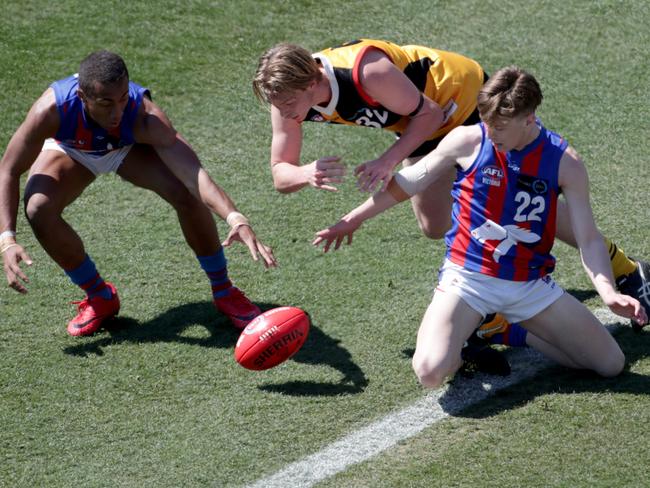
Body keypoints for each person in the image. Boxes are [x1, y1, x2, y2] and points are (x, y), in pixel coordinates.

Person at [253, 38, 650, 338]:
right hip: (421, 125)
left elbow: (429, 113)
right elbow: (279, 173)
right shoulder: (286, 98)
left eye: (287, 101)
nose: (282, 110)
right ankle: (494, 300)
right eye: (276, 102)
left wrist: (389, 159)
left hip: (462, 108)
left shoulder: (366, 71)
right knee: (433, 223)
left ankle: (625, 271)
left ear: (312, 80)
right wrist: (305, 173)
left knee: (523, 202)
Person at [313, 66, 647, 386]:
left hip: (529, 285)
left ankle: (505, 329)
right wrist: (353, 219)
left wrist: (607, 292)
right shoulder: (468, 140)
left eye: (500, 126)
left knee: (610, 365)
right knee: (429, 371)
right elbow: (410, 181)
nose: (490, 132)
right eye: (487, 122)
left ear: (529, 118)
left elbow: (587, 239)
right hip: (467, 280)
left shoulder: (564, 161)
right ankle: (483, 330)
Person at [0, 50, 276, 336]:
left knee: (186, 194)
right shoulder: (51, 110)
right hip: (73, 149)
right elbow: (8, 169)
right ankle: (100, 297)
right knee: (38, 209)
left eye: (122, 99)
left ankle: (223, 290)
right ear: (82, 97)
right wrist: (7, 240)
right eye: (105, 103)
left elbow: (195, 176)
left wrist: (235, 218)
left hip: (127, 146)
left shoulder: (145, 119)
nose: (116, 112)